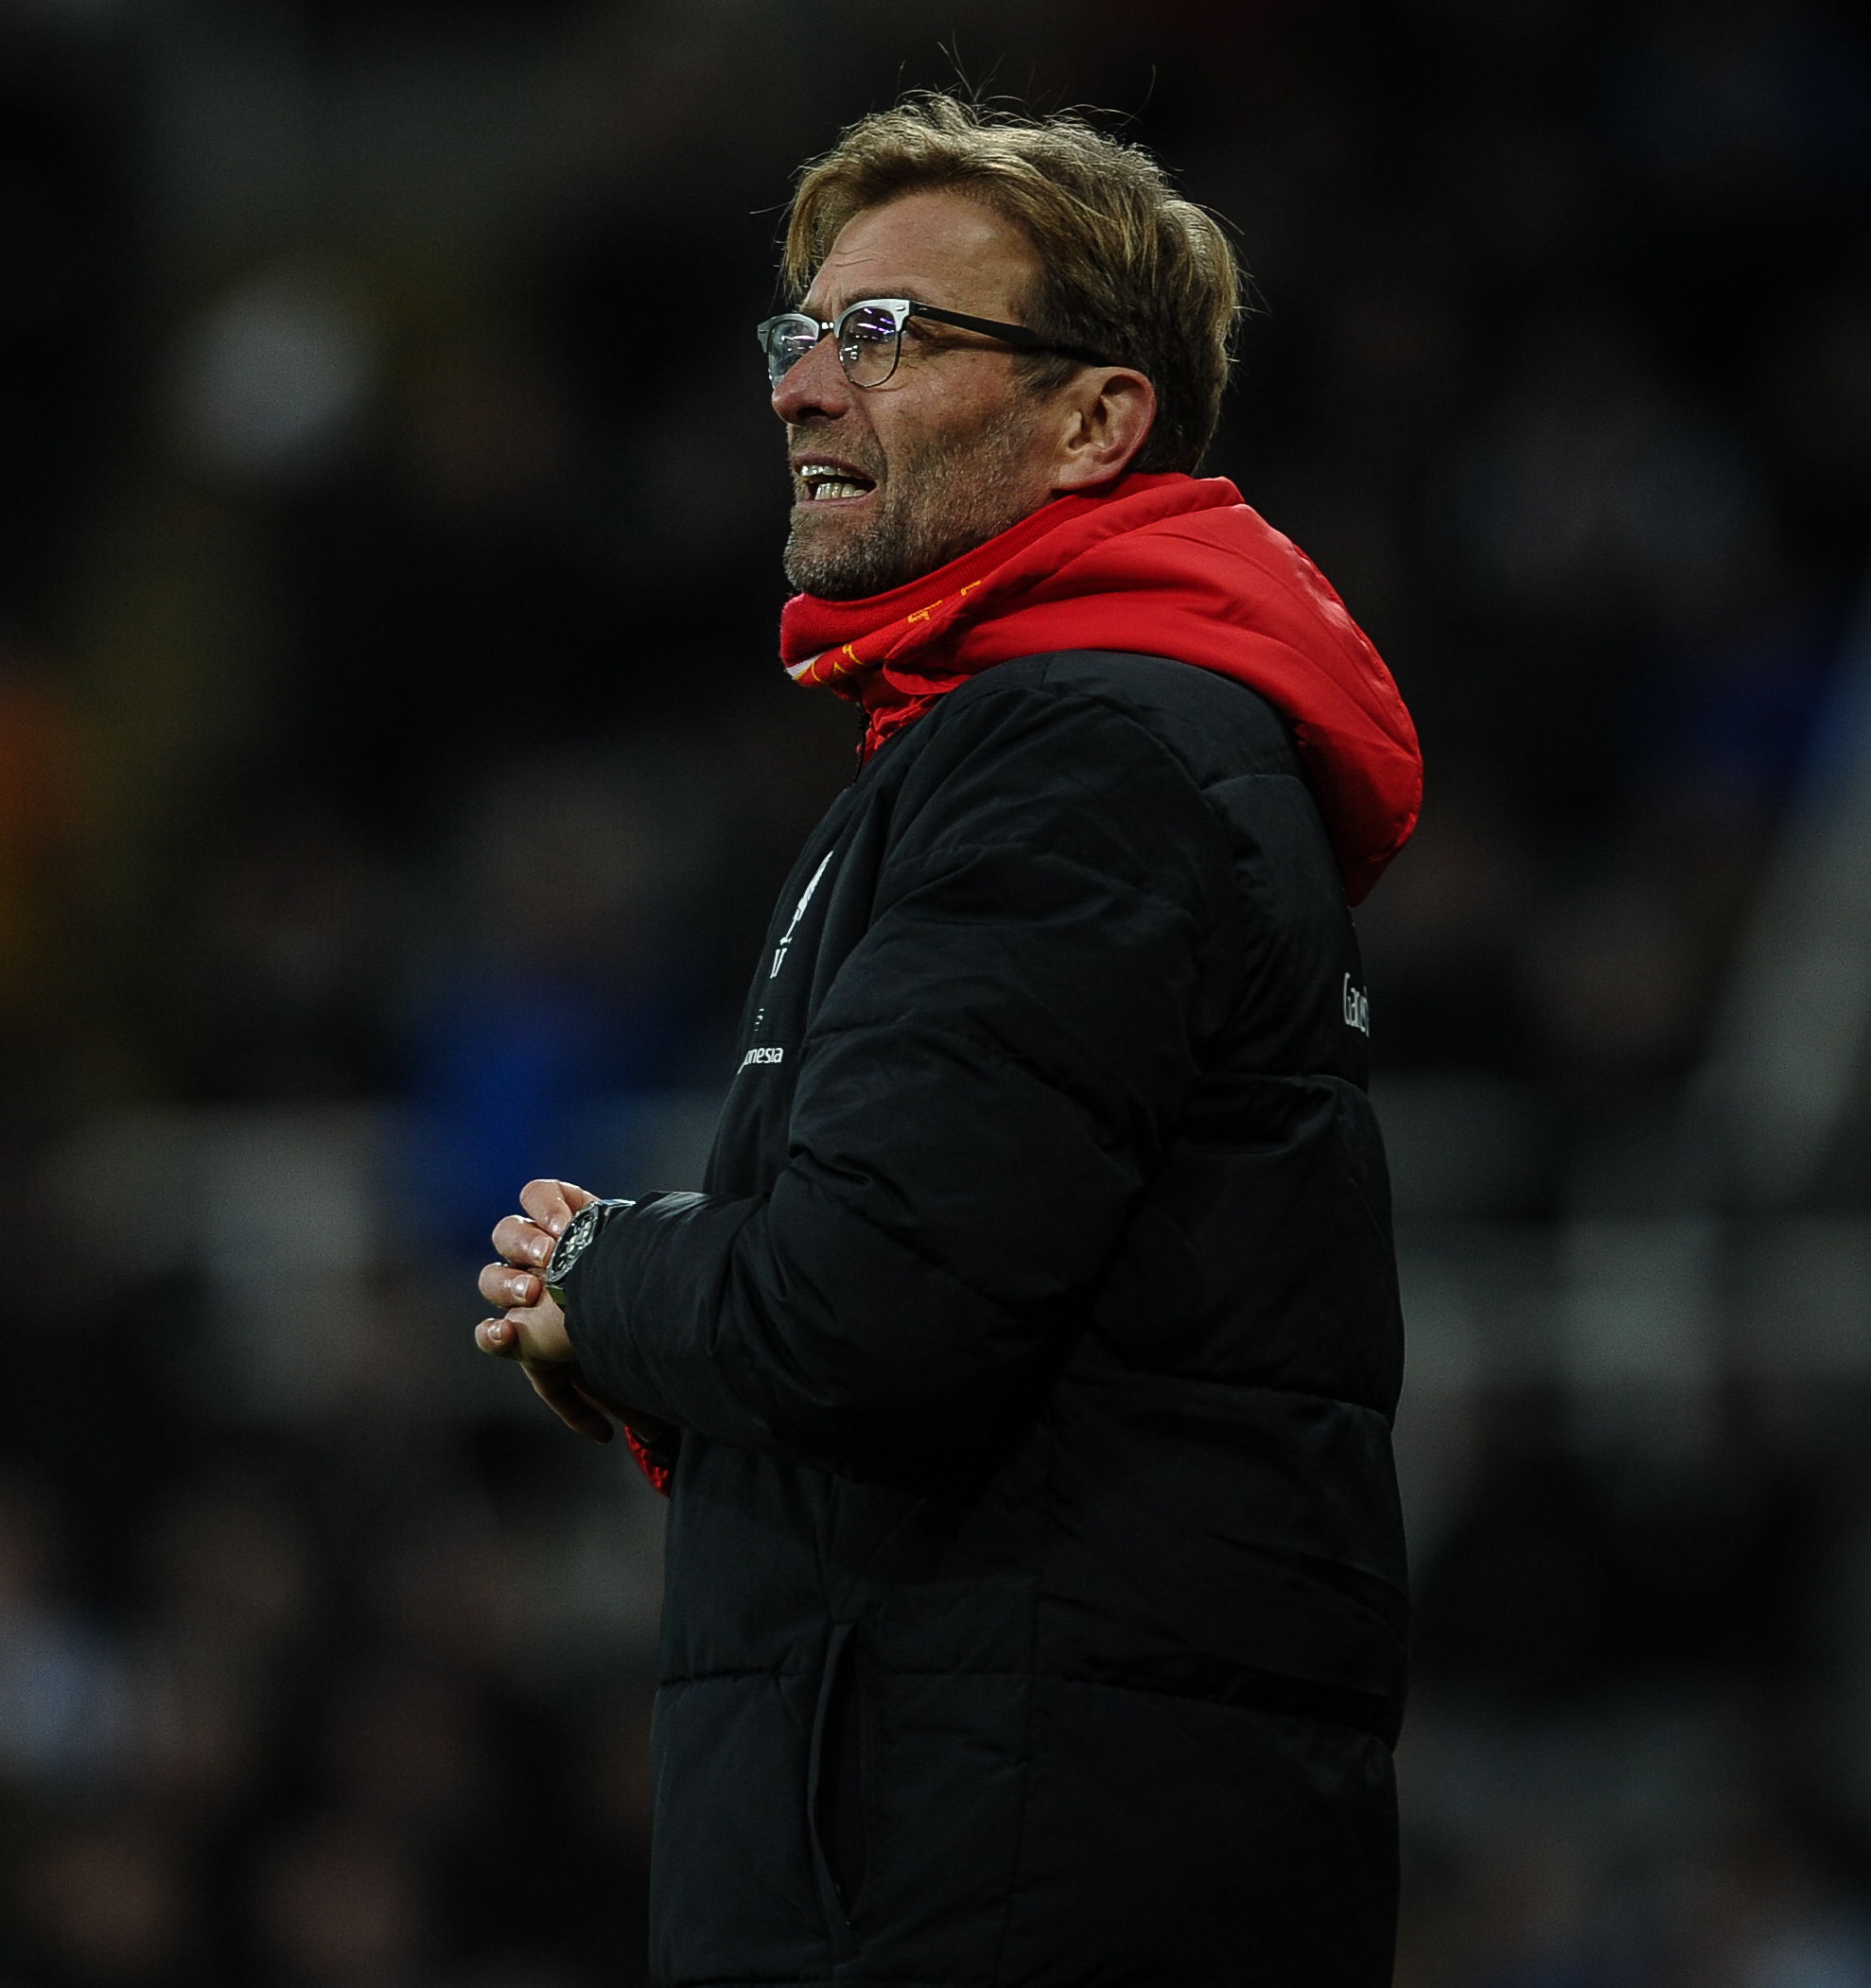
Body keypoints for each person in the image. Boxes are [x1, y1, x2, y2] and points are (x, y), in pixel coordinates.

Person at [471, 96, 1424, 1987]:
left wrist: (604, 1268)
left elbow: (866, 1301)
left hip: (987, 1862)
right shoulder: (1043, 744)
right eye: (797, 335)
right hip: (1014, 1811)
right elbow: (987, 1293)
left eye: (886, 336)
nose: (803, 389)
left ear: (1094, 420)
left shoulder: (1073, 760)